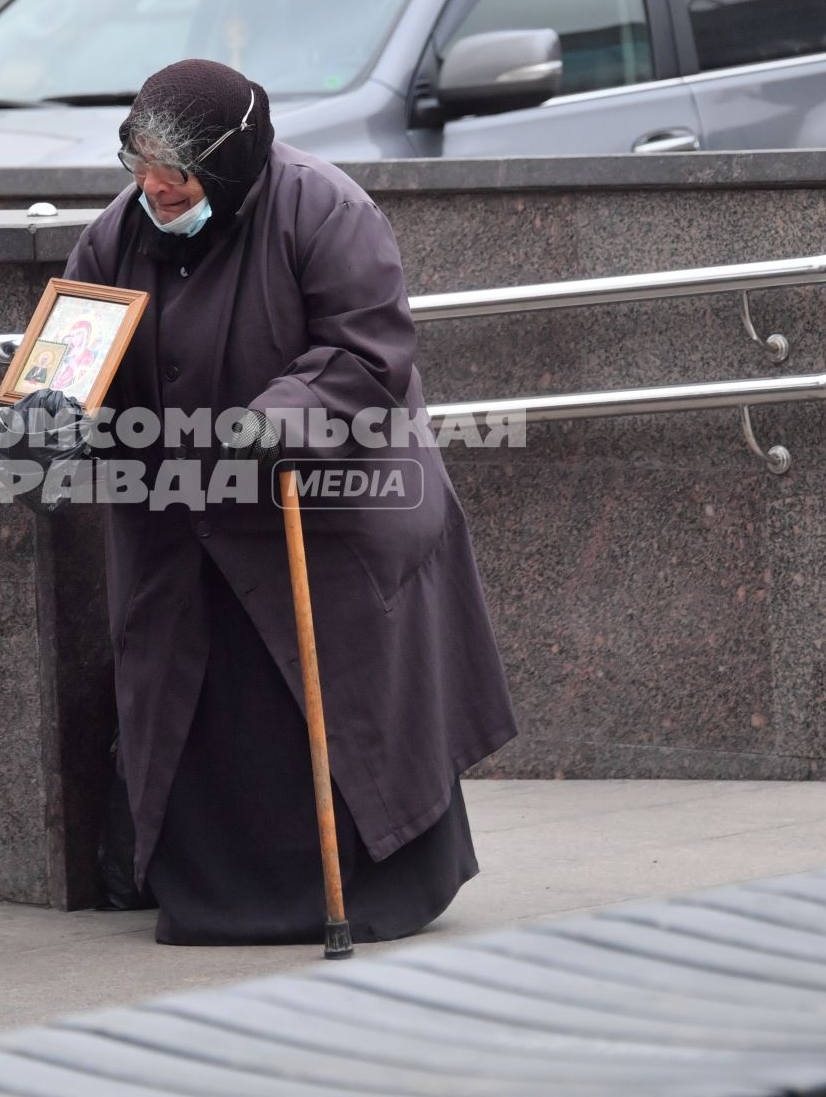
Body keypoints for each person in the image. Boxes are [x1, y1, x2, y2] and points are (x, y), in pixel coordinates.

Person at [50, 59, 518, 944]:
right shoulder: (118, 232)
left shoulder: (325, 210)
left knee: (332, 705)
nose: (153, 189)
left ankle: (364, 891)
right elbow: (78, 346)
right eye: (139, 166)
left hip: (319, 509)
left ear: (228, 163)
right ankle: (209, 893)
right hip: (181, 522)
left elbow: (367, 353)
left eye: (174, 174)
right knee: (205, 702)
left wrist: (276, 420)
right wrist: (52, 409)